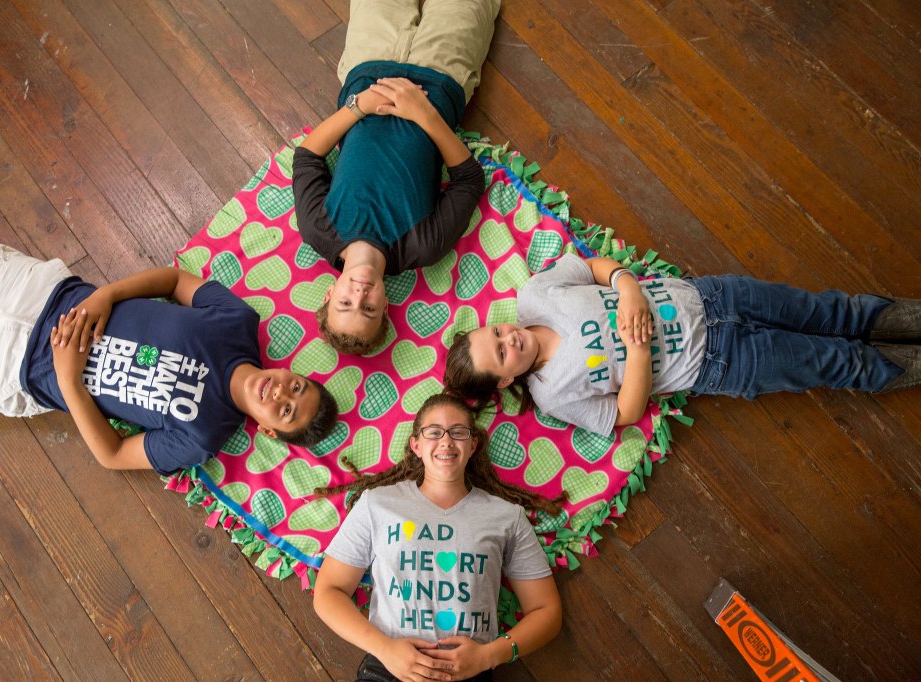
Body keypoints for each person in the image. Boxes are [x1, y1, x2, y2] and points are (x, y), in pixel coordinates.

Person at [0, 231, 338, 474]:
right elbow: (173, 280)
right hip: (42, 292)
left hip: (15, 370)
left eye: (285, 411)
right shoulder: (238, 323)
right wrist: (105, 296)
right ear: (291, 370)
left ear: (269, 433)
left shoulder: (203, 436)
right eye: (296, 387)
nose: (280, 393)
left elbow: (113, 456)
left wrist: (70, 382)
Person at [444, 252, 921, 437]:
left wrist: (627, 286)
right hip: (724, 363)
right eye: (503, 352)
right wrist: (637, 351)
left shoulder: (535, 297)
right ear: (505, 379)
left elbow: (593, 268)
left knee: (835, 312)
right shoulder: (553, 394)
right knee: (839, 363)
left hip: (714, 295)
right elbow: (625, 413)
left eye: (498, 332)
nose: (511, 337)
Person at [293, 0, 499, 355]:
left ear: (330, 293)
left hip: (367, 67)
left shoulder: (318, 228)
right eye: (369, 309)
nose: (359, 295)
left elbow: (307, 157)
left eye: (345, 304)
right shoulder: (424, 245)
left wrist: (360, 106)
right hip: (442, 76)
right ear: (386, 305)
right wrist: (424, 114)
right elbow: (469, 180)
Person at [313, 393, 562, 682]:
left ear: (473, 445)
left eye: (458, 432)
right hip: (388, 670)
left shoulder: (507, 517)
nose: (446, 441)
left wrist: (489, 655)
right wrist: (385, 648)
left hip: (471, 672)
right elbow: (328, 592)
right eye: (433, 432)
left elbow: (547, 611)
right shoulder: (377, 504)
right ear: (416, 445)